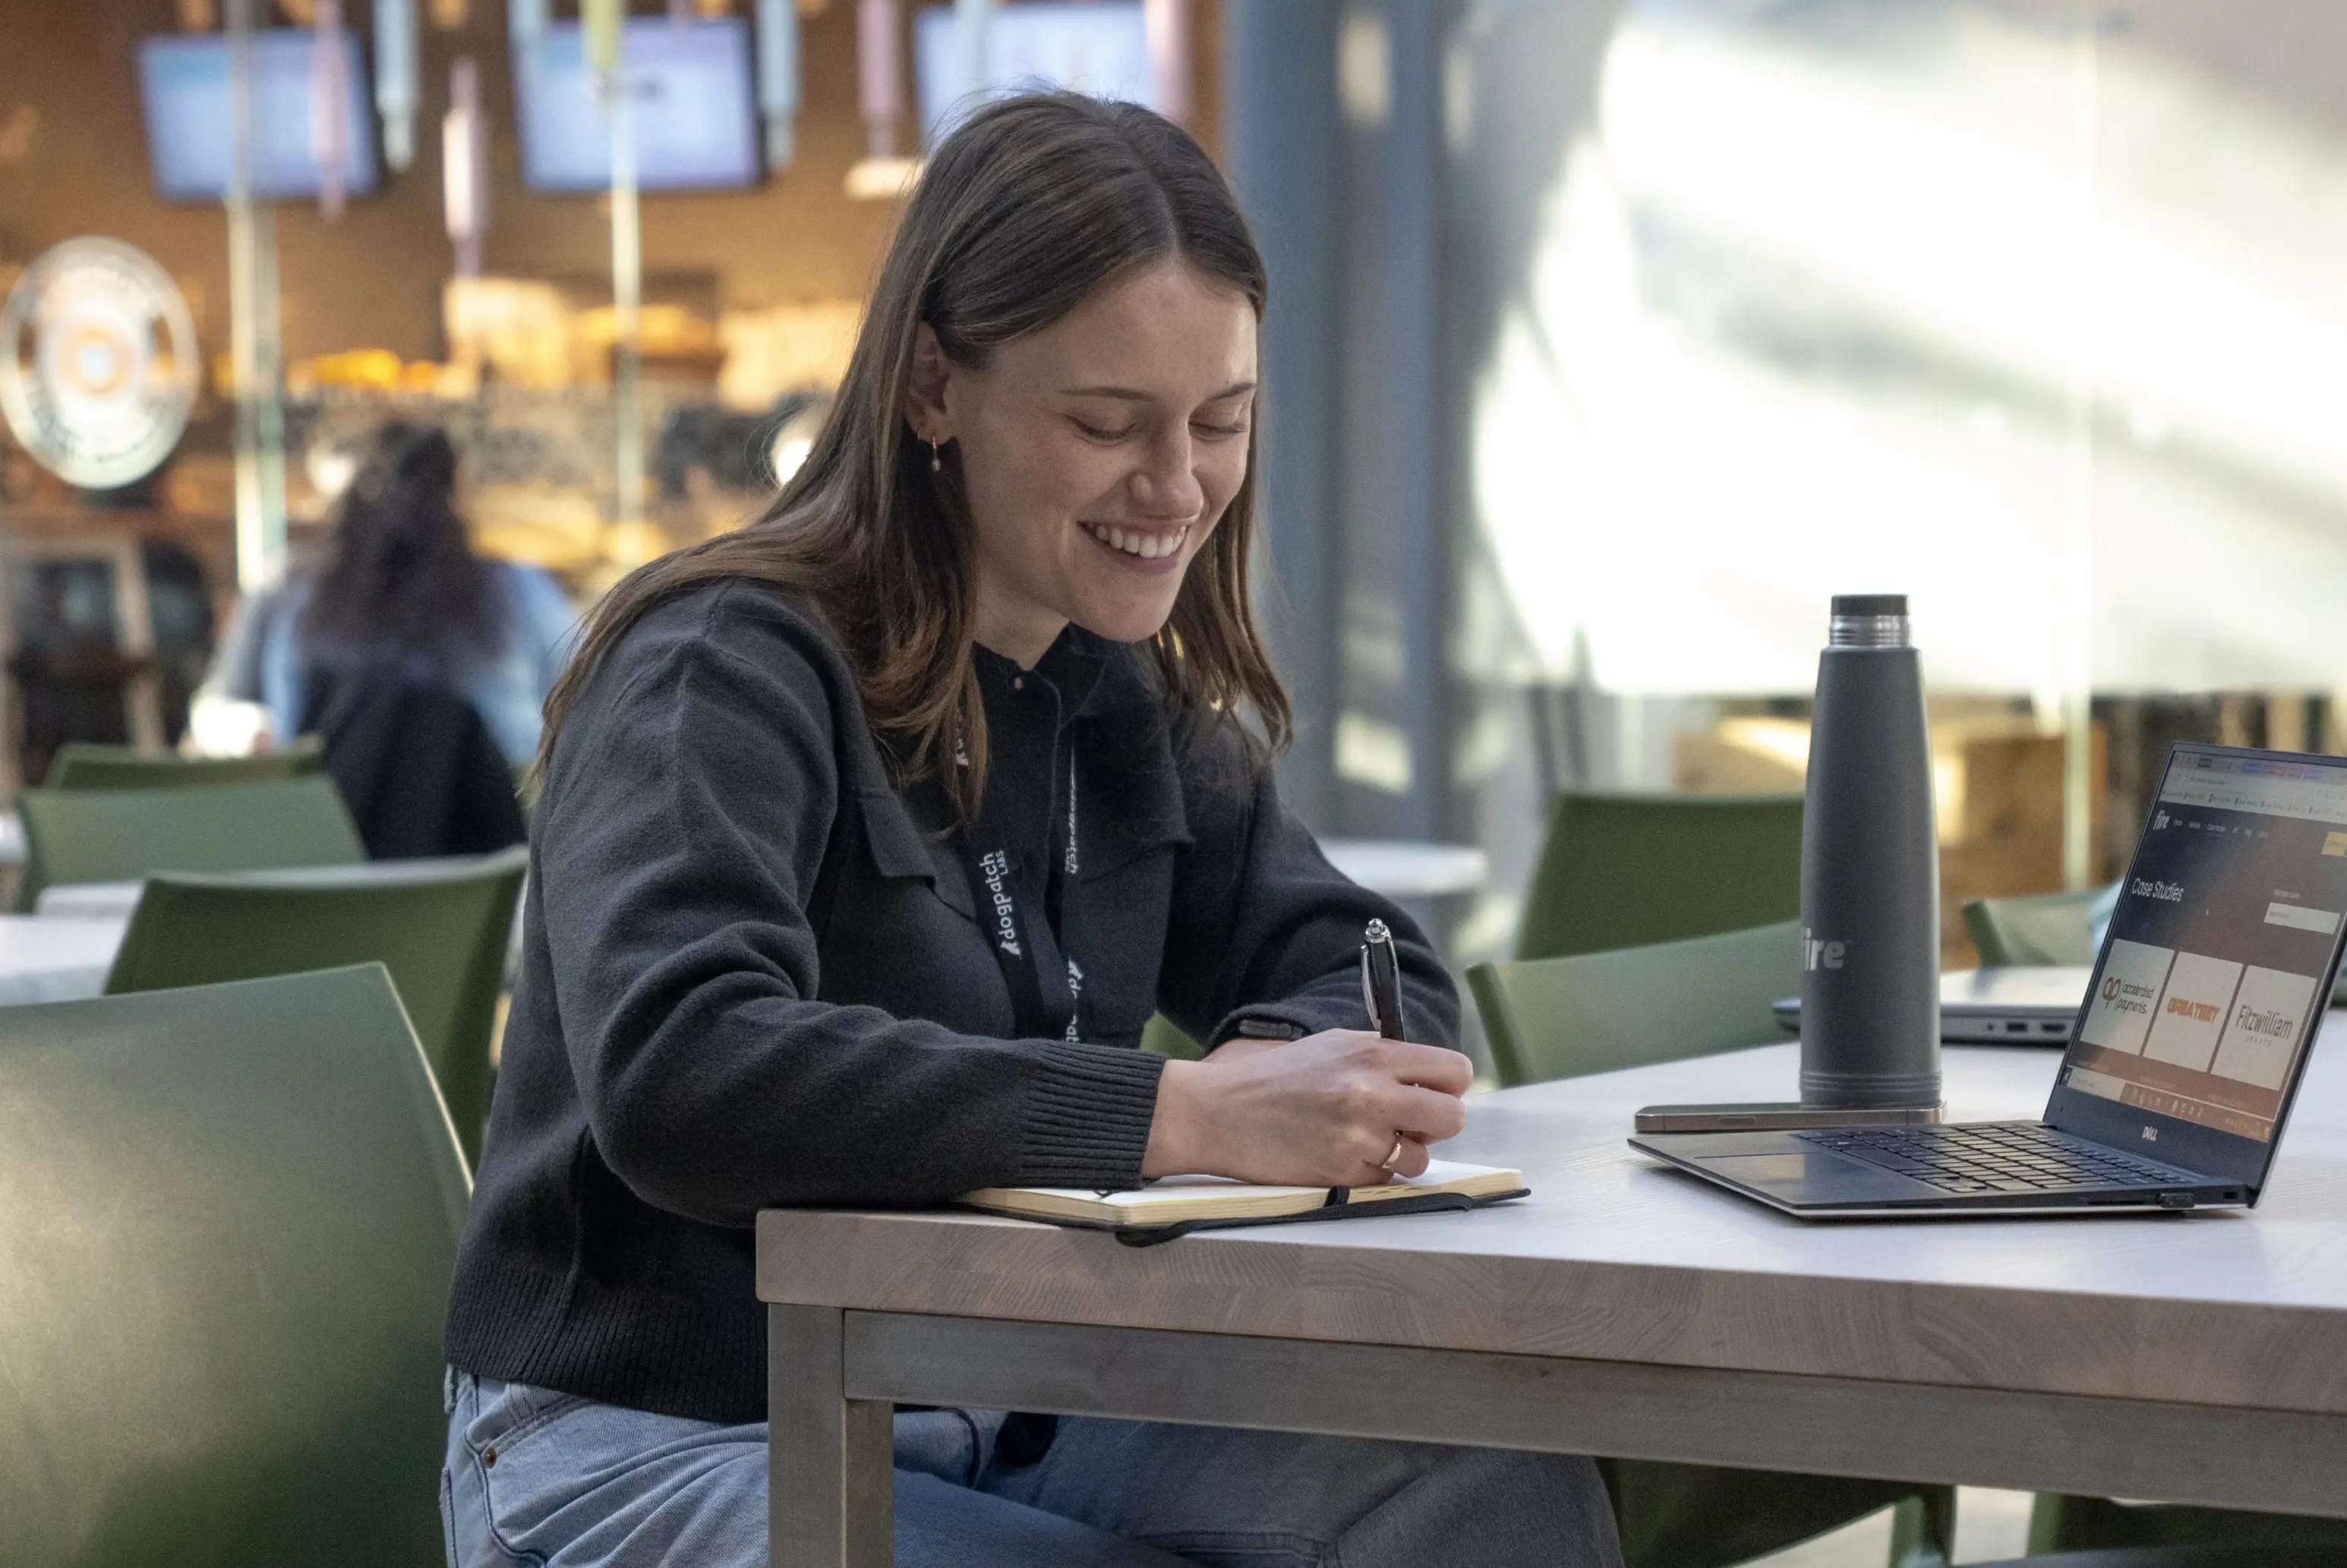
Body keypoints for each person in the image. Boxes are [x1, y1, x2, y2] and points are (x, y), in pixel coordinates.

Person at [437, 93, 1624, 1567]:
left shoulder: (1110, 691)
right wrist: (1177, 1120)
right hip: (642, 1442)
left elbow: (1368, 963)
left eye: (1223, 422)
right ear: (934, 385)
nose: (1178, 486)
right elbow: (683, 1069)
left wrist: (1294, 1080)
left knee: (1488, 1484)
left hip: (1006, 1397)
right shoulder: (720, 665)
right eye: (1107, 423)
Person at [201, 420, 579, 773]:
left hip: (489, 824)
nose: (398, 514)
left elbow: (584, 698)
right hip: (340, 821)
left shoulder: (512, 589)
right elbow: (216, 711)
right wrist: (250, 732)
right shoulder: (290, 589)